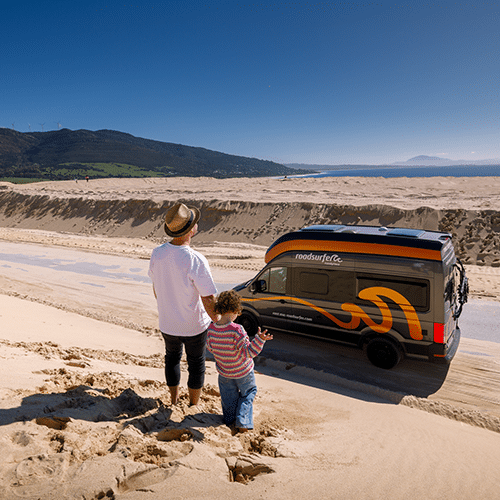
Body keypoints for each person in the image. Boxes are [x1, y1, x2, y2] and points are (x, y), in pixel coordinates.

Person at [148, 202, 220, 406]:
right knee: (196, 364)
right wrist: (218, 320)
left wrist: (166, 304)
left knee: (171, 358)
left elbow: (155, 287)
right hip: (193, 324)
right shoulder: (195, 259)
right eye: (194, 222)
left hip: (167, 322)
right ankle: (193, 404)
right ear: (190, 230)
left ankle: (173, 399)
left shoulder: (157, 253)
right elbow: (208, 297)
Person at [207, 290, 273, 432]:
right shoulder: (237, 330)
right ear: (235, 310)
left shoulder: (212, 329)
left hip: (224, 372)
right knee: (248, 392)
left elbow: (210, 348)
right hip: (243, 371)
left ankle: (230, 420)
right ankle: (242, 421)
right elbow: (249, 352)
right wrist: (260, 339)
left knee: (228, 397)